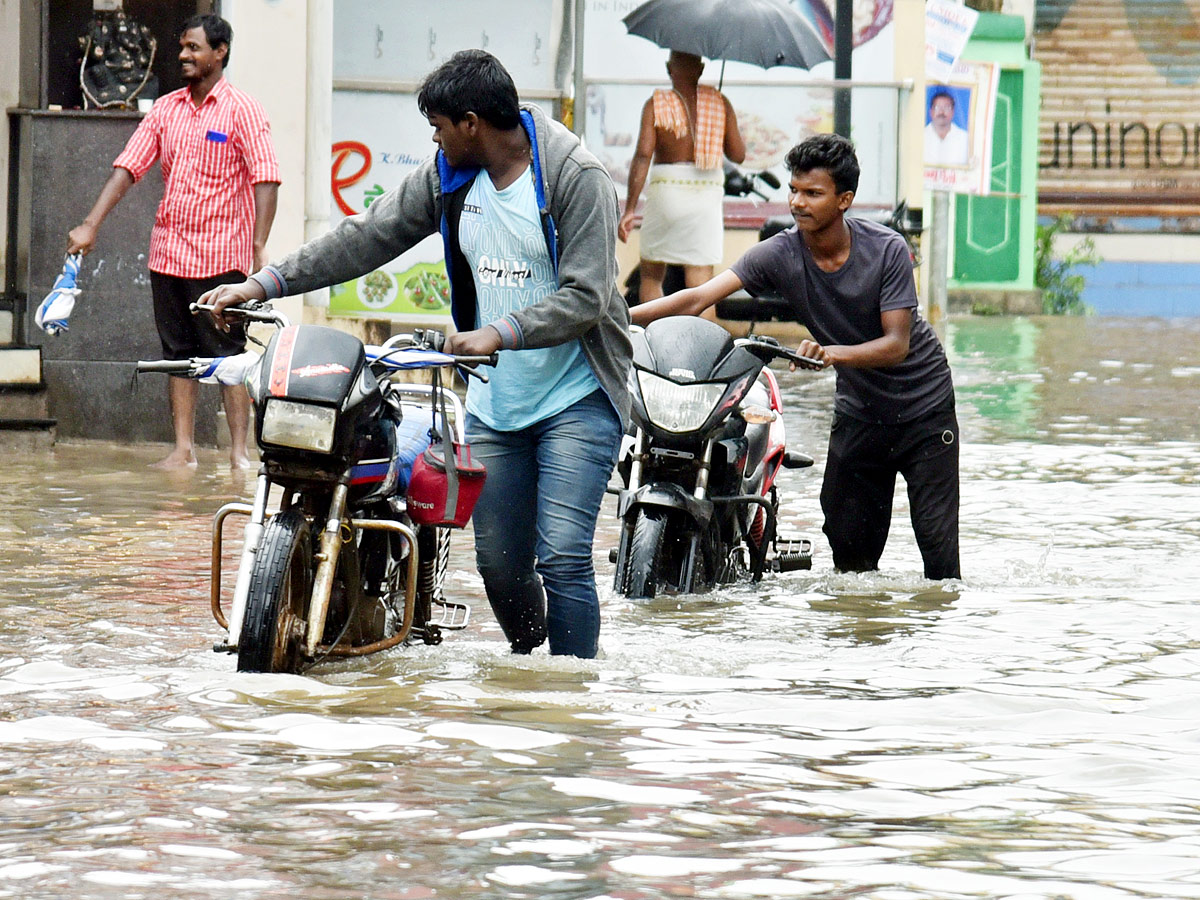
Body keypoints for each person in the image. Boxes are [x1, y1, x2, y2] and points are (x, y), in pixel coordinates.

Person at [201, 50, 632, 659]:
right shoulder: (448, 176)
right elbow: (368, 237)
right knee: (499, 568)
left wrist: (498, 332)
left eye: (438, 125)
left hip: (578, 393)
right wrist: (264, 283)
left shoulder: (572, 177)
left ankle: (572, 702)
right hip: (497, 400)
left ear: (472, 122)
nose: (433, 137)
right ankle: (531, 680)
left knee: (561, 556)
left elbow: (588, 297)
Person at [631, 134, 960, 581]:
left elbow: (896, 344)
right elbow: (697, 297)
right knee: (849, 557)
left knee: (938, 554)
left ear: (845, 200)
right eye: (793, 190)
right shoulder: (780, 253)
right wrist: (615, 316)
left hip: (924, 408)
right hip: (861, 410)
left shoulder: (887, 250)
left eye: (813, 193)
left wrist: (830, 354)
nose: (797, 202)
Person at [67, 14, 280, 470]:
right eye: (182, 47)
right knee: (177, 355)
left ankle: (239, 454)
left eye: (194, 48)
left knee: (229, 356)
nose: (183, 55)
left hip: (223, 256)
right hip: (170, 255)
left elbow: (266, 178)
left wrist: (260, 246)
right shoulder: (165, 109)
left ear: (220, 52)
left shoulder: (242, 109)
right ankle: (183, 450)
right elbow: (128, 168)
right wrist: (90, 225)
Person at [617, 50, 746, 305]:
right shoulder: (719, 102)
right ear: (700, 69)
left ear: (669, 68)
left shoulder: (656, 104)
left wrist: (630, 209)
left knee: (652, 277)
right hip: (706, 201)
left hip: (666, 196)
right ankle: (701, 343)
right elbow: (738, 155)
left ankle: (651, 337)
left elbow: (643, 156)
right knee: (702, 284)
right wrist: (717, 122)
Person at [924, 88, 970, 166]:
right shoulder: (919, 137)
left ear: (953, 112)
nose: (941, 112)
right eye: (937, 107)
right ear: (931, 112)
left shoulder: (965, 138)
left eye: (946, 108)